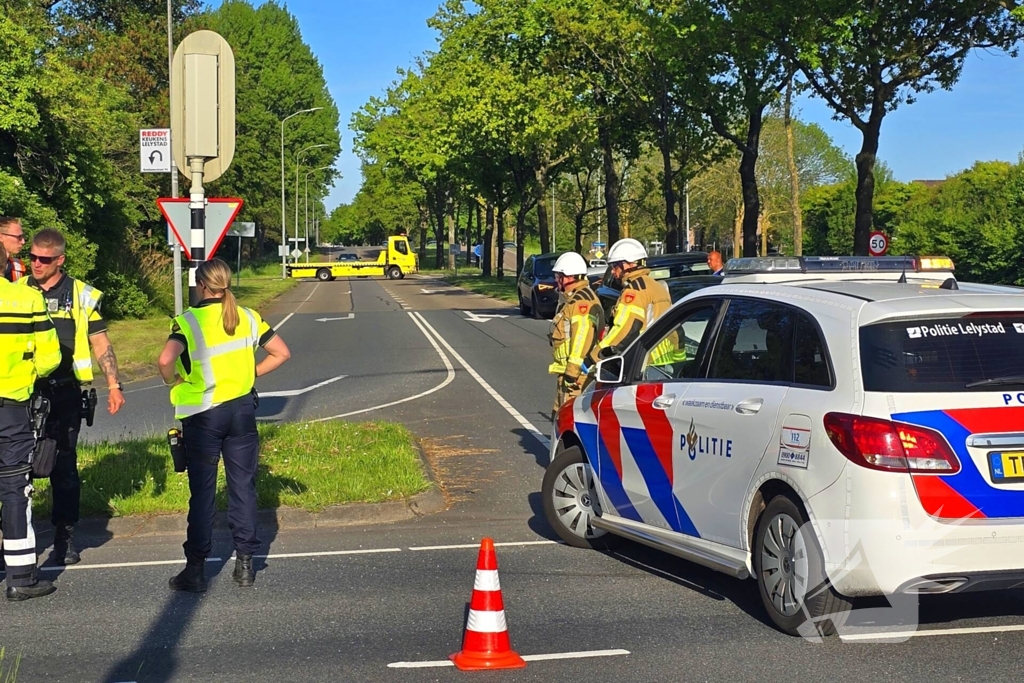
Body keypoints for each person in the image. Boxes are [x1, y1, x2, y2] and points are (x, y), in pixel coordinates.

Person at [158, 259, 291, 592]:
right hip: (242, 411)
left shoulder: (189, 321)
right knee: (242, 487)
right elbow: (281, 353)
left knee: (202, 493)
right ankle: (245, 564)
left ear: (202, 286)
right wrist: (250, 375)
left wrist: (171, 380)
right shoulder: (247, 317)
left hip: (204, 416)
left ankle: (196, 569)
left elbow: (164, 359)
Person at [22, 229, 125, 565]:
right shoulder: (18, 291)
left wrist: (113, 384)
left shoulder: (79, 294)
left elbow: (101, 343)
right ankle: (17, 538)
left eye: (45, 259)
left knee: (62, 465)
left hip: (64, 392)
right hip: (22, 392)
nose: (36, 264)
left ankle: (64, 537)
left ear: (60, 260)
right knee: (15, 467)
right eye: (33, 257)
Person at [0, 241, 62, 600]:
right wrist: (27, 374)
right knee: (13, 489)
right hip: (11, 407)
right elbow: (50, 357)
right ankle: (21, 579)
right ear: (8, 264)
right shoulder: (27, 299)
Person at [588, 238, 674, 365]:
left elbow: (625, 329)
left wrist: (595, 356)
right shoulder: (658, 287)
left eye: (615, 266)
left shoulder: (634, 290)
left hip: (644, 362)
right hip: (665, 362)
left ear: (628, 264)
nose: (612, 271)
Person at [547, 252, 604, 418]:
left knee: (566, 419)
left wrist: (572, 373)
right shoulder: (575, 298)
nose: (556, 280)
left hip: (577, 376)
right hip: (572, 373)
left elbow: (581, 338)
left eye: (558, 276)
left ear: (567, 278)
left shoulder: (581, 303)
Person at [1, 217, 27, 282]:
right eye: (19, 237)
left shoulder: (17, 267)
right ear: (1, 237)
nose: (23, 242)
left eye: (23, 237)